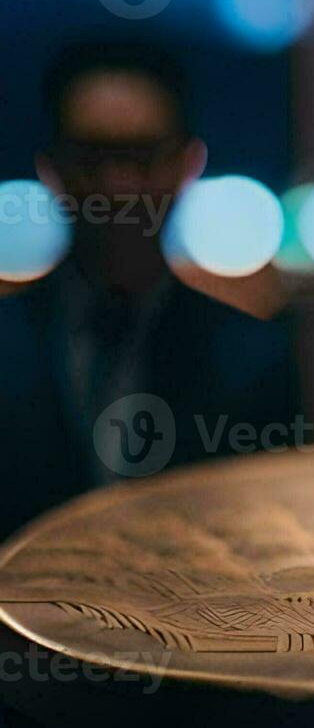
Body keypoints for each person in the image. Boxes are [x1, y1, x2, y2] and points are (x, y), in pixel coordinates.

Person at [0, 42, 296, 539]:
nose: (117, 185)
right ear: (52, 167)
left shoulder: (253, 363)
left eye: (141, 157)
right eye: (93, 156)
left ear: (186, 165)